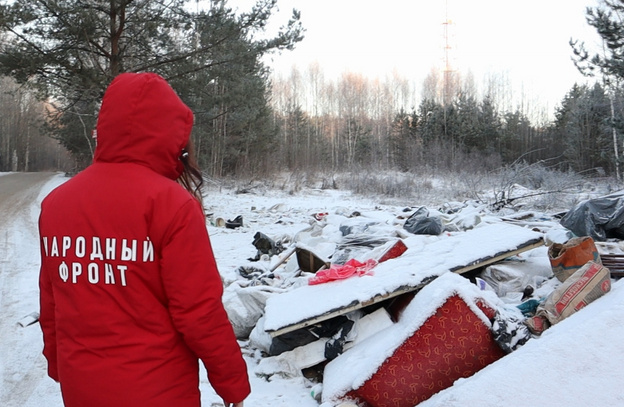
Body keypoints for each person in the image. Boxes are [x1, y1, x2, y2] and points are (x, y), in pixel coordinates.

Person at [38, 72, 250, 407]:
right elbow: (199, 312)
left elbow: (51, 303)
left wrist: (58, 365)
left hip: (82, 388)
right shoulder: (173, 205)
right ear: (170, 135)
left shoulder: (56, 203)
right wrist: (233, 385)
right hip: (159, 391)